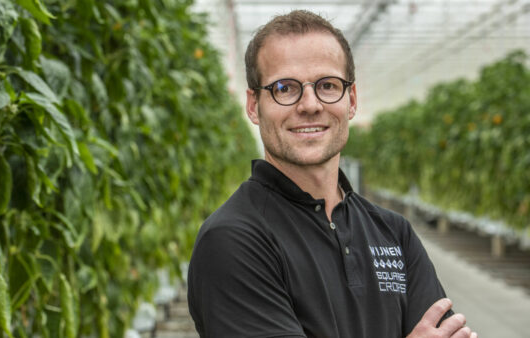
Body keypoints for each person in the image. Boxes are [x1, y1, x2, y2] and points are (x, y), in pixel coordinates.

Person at [187, 10, 477, 338]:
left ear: (351, 100)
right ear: (254, 106)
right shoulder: (234, 239)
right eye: (285, 88)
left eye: (327, 85)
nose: (310, 104)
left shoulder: (394, 233)